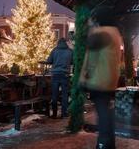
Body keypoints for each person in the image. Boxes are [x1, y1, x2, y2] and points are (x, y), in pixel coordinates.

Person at [80, 17, 123, 149]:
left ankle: (103, 144)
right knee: (107, 113)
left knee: (102, 112)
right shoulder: (115, 34)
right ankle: (109, 144)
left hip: (99, 80)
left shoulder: (100, 34)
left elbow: (91, 59)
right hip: (111, 80)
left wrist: (83, 79)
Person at [46, 38, 73, 118]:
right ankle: (64, 113)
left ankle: (54, 114)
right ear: (65, 43)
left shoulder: (54, 50)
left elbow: (49, 60)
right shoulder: (70, 51)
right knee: (65, 95)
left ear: (58, 43)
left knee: (55, 95)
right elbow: (73, 61)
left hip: (55, 74)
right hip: (65, 74)